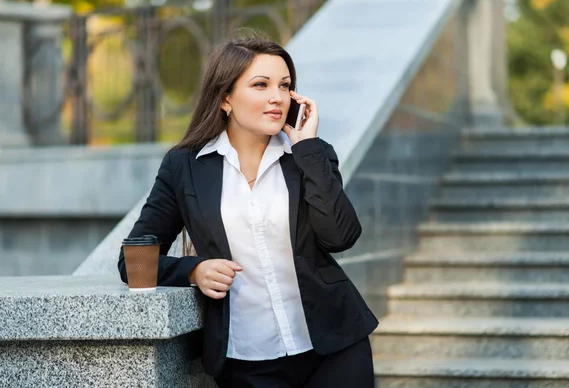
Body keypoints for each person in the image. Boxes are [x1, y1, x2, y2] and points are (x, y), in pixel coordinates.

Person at [117, 31, 379, 388]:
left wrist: (309, 149)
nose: (277, 98)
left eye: (285, 86)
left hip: (334, 348)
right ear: (225, 98)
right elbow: (132, 263)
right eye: (261, 85)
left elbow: (341, 236)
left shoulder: (309, 156)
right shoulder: (185, 168)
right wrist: (194, 271)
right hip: (247, 360)